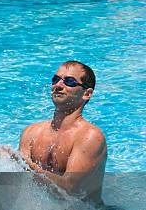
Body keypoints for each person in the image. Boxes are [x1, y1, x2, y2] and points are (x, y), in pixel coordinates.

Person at [19, 61, 107, 201]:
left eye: (69, 82)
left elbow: (70, 188)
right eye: (55, 80)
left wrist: (22, 163)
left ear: (87, 94)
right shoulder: (31, 132)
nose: (58, 86)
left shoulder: (90, 137)